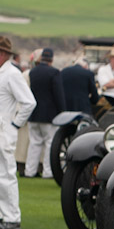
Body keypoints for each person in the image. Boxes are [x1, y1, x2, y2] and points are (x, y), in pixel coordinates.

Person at [0, 35, 38, 229]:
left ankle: (12, 217)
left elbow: (29, 102)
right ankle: (3, 214)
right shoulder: (3, 73)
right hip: (3, 129)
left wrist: (15, 124)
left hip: (5, 131)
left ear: (4, 54)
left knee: (7, 174)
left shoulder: (12, 74)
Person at [25, 47, 65, 179]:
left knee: (34, 143)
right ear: (52, 59)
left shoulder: (33, 72)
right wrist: (62, 112)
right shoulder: (54, 73)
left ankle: (29, 171)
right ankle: (48, 172)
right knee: (49, 144)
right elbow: (58, 94)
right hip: (49, 114)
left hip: (34, 113)